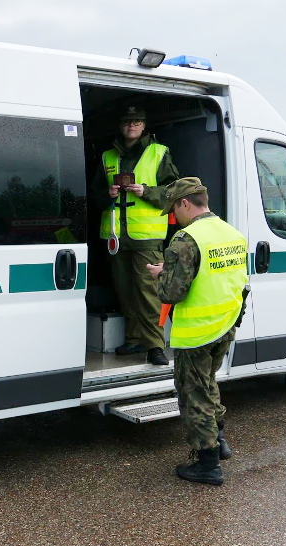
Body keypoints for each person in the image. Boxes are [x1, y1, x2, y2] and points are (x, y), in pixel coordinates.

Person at [146, 177, 249, 485]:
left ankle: (208, 465)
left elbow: (171, 293)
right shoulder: (232, 233)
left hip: (197, 332)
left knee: (194, 395)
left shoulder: (185, 240)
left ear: (186, 203)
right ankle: (220, 441)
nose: (173, 217)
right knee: (208, 382)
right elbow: (214, 275)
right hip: (226, 324)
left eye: (174, 210)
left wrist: (161, 275)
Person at [92, 105, 179, 365]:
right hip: (116, 236)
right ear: (121, 126)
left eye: (137, 121)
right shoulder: (107, 156)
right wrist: (105, 194)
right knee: (125, 290)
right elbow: (93, 193)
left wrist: (147, 191)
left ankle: (155, 345)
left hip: (147, 237)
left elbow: (174, 192)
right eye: (127, 121)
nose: (132, 125)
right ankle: (134, 340)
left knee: (148, 292)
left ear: (144, 126)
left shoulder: (159, 152)